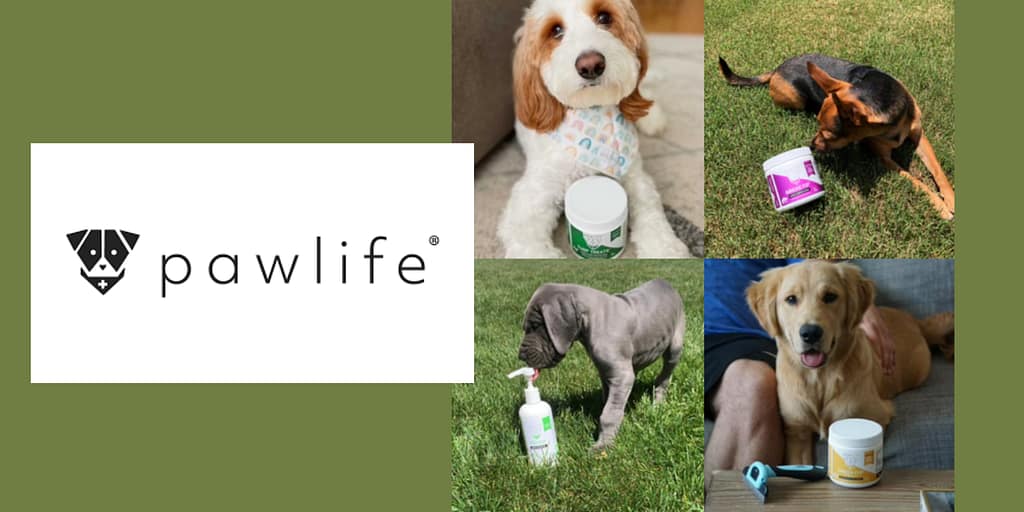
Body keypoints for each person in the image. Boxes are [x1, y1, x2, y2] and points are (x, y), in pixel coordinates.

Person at [703, 259, 895, 493]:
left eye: (829, 298)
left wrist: (865, 311)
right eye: (792, 300)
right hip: (699, 335)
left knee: (751, 382)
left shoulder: (802, 269)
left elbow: (812, 270)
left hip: (744, 339)